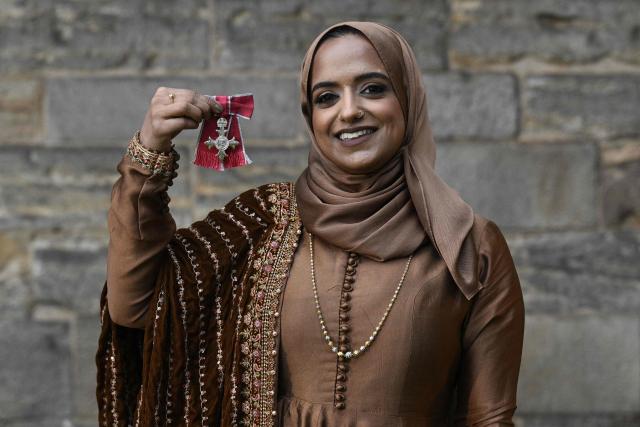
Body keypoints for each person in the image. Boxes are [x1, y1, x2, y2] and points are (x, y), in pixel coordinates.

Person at [97, 21, 525, 427]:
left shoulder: (469, 247)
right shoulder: (261, 225)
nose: (350, 111)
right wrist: (147, 156)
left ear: (408, 98)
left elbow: (488, 417)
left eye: (373, 89)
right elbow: (135, 306)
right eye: (326, 97)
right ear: (310, 116)